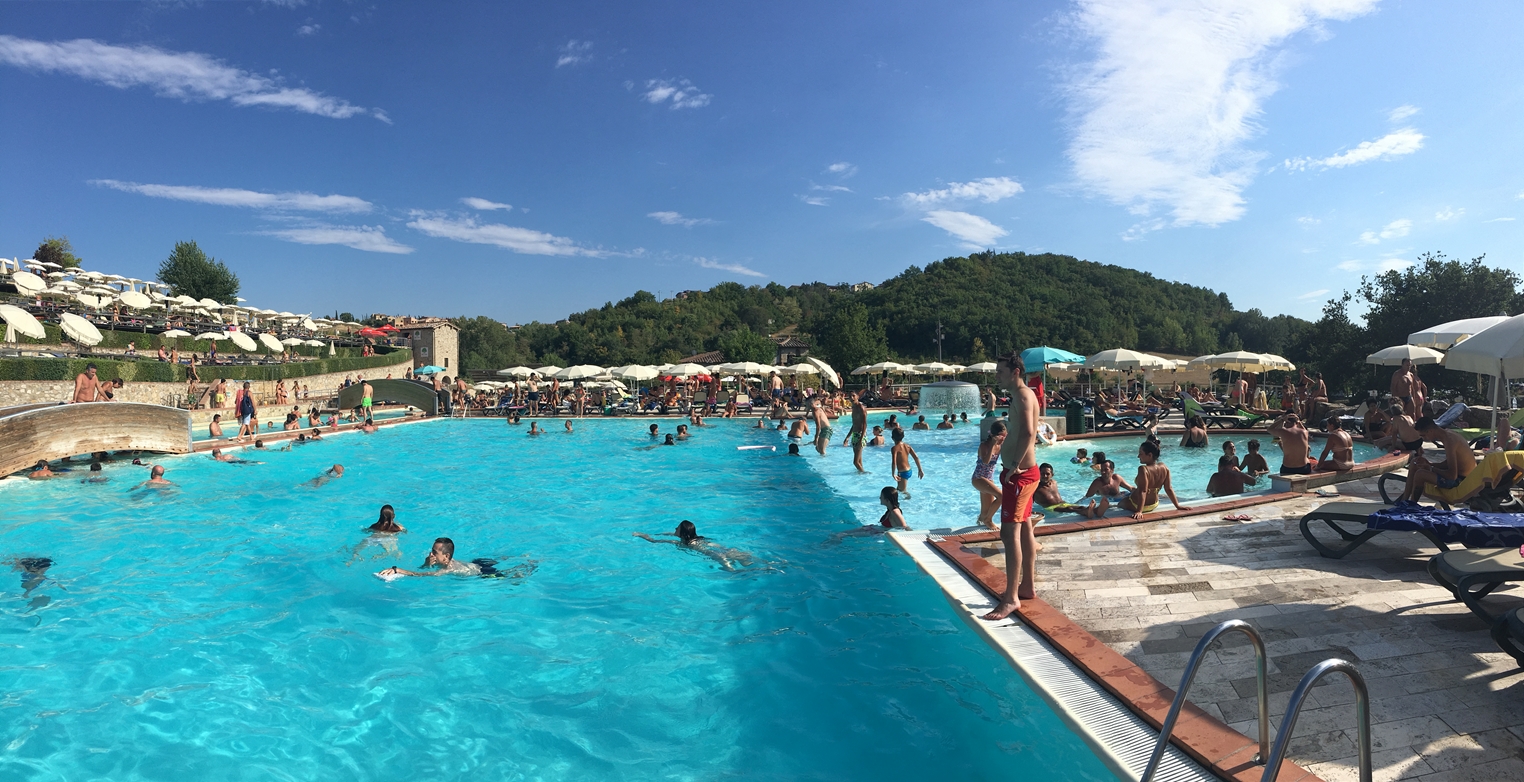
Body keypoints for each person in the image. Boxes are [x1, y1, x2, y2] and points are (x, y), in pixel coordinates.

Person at [984, 351, 1039, 622]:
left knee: (1009, 534)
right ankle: (1026, 586)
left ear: (1015, 372)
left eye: (1000, 372)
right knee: (1025, 528)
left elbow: (1029, 432)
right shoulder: (1022, 395)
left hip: (1021, 475)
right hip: (1021, 474)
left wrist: (1015, 464)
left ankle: (1011, 598)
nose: (997, 376)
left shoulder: (1023, 396)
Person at [1400, 417, 1478, 502]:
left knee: (1420, 474)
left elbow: (1452, 476)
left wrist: (1430, 468)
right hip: (1460, 475)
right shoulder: (1447, 434)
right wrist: (1429, 464)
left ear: (1430, 431)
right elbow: (1451, 462)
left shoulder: (1449, 440)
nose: (1424, 439)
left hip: (1462, 480)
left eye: (1423, 435)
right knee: (1414, 463)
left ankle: (1412, 505)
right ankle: (1404, 501)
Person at [633, 520, 755, 570]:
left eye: (677, 528)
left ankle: (756, 570)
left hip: (716, 555)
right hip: (726, 550)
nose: (675, 529)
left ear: (683, 534)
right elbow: (671, 534)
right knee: (748, 562)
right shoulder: (697, 538)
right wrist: (663, 533)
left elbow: (654, 541)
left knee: (735, 572)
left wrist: (640, 534)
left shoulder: (680, 543)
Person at [1120, 440, 1188, 518]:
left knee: (1119, 504)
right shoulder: (1164, 467)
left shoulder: (1143, 469)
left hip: (1137, 504)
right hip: (1154, 504)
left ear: (1150, 455)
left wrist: (1139, 511)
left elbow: (1143, 491)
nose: (1138, 456)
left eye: (1141, 453)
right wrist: (1177, 506)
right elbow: (1168, 489)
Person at [379, 537, 482, 578]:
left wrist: (397, 570)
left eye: (434, 552)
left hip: (483, 572)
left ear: (446, 556)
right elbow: (423, 570)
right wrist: (426, 565)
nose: (431, 554)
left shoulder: (448, 569)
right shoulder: (446, 562)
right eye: (432, 551)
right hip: (476, 563)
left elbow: (421, 575)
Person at [972, 422, 1005, 529]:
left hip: (989, 479)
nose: (1003, 439)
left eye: (1005, 436)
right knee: (1001, 496)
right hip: (979, 478)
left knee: (985, 512)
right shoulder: (984, 445)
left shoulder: (1000, 446)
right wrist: (992, 445)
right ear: (994, 436)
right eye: (1001, 436)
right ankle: (988, 520)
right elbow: (986, 461)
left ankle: (981, 523)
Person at [889, 427, 924, 498]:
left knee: (903, 491)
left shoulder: (894, 448)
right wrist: (920, 470)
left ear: (892, 438)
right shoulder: (907, 446)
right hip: (908, 470)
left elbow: (894, 462)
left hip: (903, 473)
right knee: (898, 489)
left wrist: (893, 474)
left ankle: (909, 501)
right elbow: (916, 458)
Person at [843, 392, 868, 473]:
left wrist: (861, 439)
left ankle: (865, 474)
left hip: (860, 435)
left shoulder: (861, 408)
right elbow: (854, 424)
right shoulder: (854, 408)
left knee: (855, 462)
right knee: (859, 461)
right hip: (855, 434)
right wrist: (847, 437)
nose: (852, 397)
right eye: (850, 396)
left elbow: (864, 424)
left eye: (853, 396)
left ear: (858, 397)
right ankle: (861, 475)